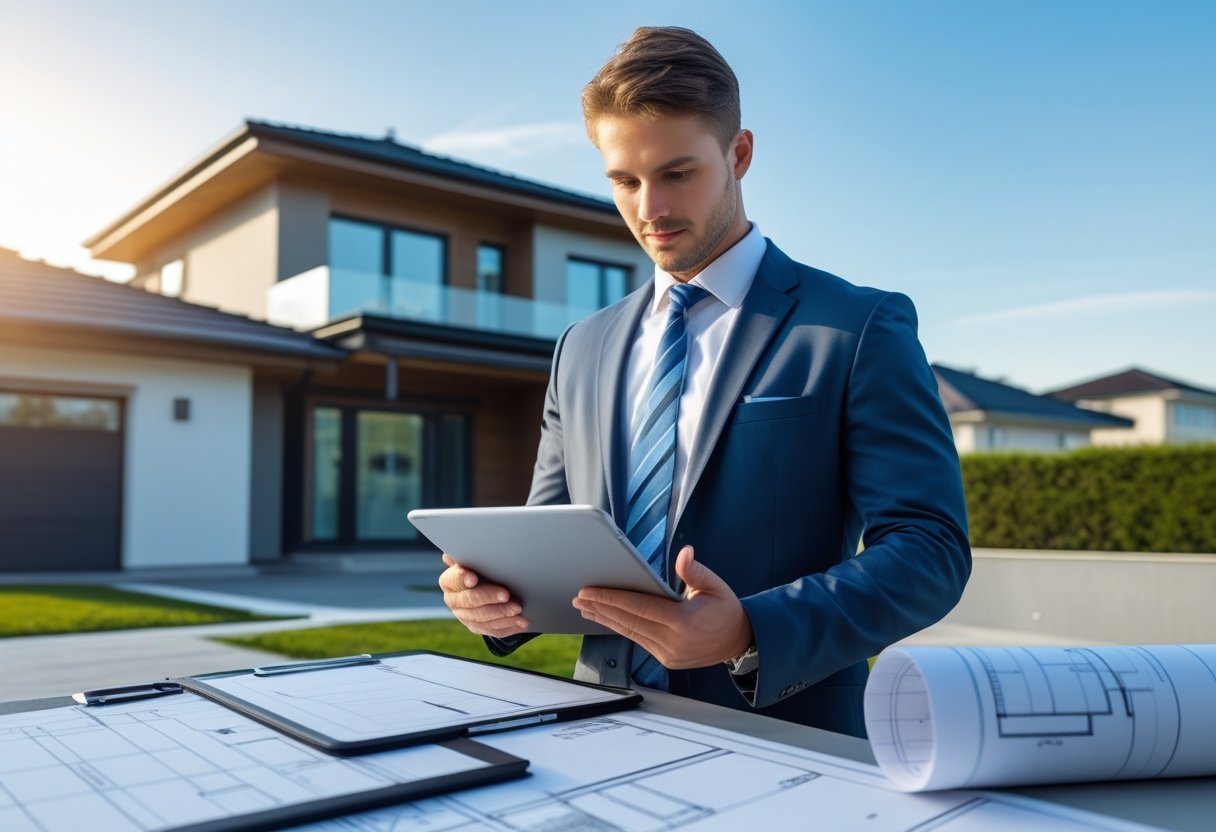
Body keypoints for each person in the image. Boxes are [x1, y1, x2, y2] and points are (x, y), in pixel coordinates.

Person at [439, 26, 970, 738]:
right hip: (597, 725)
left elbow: (929, 547)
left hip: (788, 736)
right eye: (624, 181)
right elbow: (552, 538)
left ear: (739, 154)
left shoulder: (857, 325)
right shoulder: (582, 348)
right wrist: (495, 602)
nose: (649, 208)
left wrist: (750, 629)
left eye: (677, 173)